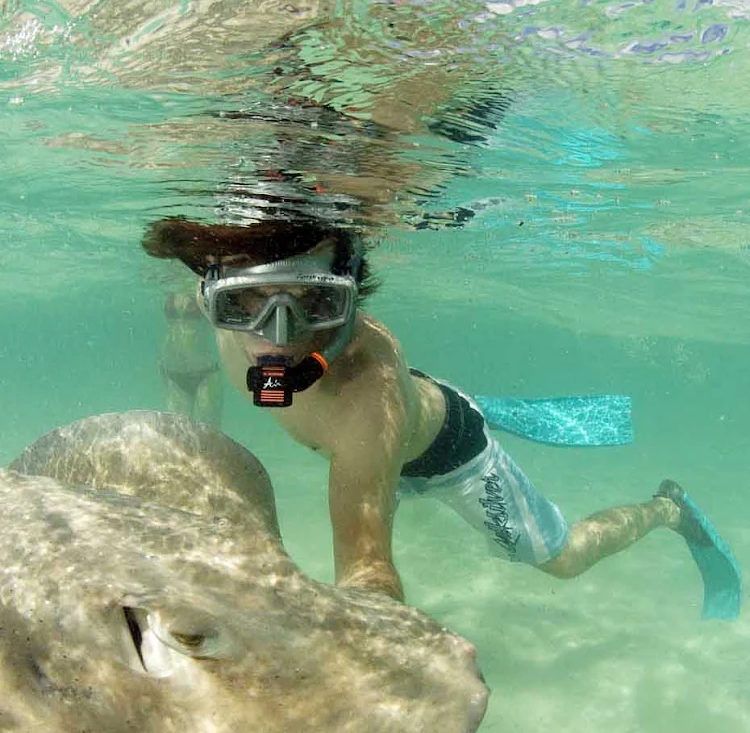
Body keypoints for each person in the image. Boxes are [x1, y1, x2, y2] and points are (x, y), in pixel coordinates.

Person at [143, 215, 738, 610]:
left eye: (315, 304)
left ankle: (668, 508)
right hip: (408, 417)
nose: (276, 337)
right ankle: (461, 403)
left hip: (448, 458)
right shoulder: (216, 327)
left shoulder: (366, 400)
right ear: (205, 297)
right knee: (410, 408)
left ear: (351, 298)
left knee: (564, 561)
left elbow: (367, 568)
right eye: (241, 303)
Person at [160, 286, 223, 429]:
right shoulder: (170, 289)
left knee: (209, 431)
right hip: (173, 372)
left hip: (205, 373)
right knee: (178, 432)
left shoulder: (203, 291)